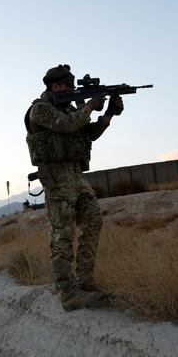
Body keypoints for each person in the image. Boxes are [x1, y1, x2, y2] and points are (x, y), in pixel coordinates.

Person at [24, 64, 124, 311]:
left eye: (72, 85)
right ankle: (68, 294)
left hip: (76, 174)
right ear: (54, 86)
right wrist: (90, 105)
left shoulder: (71, 109)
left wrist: (109, 113)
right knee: (62, 235)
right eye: (66, 85)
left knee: (94, 221)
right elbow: (67, 125)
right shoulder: (40, 109)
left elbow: (89, 134)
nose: (70, 89)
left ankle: (86, 282)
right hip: (57, 178)